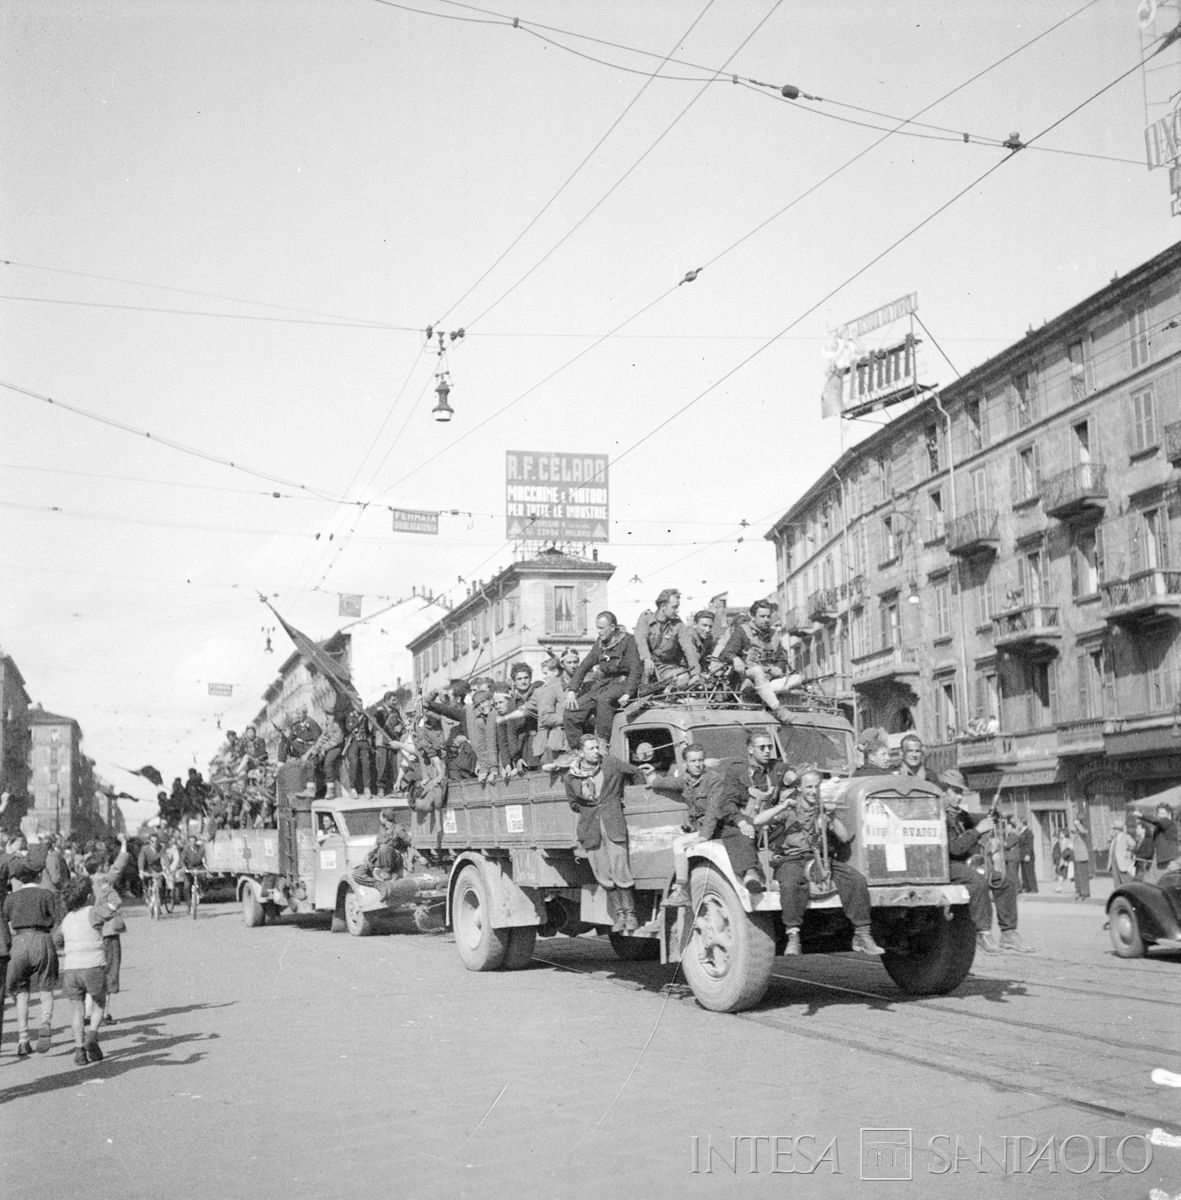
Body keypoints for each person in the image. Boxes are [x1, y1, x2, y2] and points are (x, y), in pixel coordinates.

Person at [756, 767, 883, 955]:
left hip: (820, 860)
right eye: (808, 787)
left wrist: (832, 817)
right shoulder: (789, 809)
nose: (813, 791)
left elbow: (844, 836)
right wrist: (781, 807)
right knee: (790, 884)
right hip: (792, 859)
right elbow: (758, 821)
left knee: (855, 880)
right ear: (799, 788)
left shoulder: (822, 809)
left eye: (816, 786)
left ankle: (862, 934)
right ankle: (793, 936)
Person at [564, 733, 646, 933]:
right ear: (580, 752)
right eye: (590, 749)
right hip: (591, 829)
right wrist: (589, 809)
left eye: (596, 747)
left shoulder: (610, 764)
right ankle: (619, 915)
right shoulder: (571, 776)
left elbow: (636, 772)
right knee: (603, 873)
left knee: (621, 869)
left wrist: (629, 798)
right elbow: (574, 804)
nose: (595, 752)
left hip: (614, 824)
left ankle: (631, 915)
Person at [701, 729, 778, 894]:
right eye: (762, 747)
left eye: (769, 747)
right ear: (750, 750)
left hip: (769, 821)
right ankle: (751, 875)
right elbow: (727, 802)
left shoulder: (775, 768)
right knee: (741, 835)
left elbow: (793, 770)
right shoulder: (737, 771)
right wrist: (741, 821)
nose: (767, 751)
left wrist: (795, 774)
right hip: (744, 819)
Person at [55, 877, 119, 1066]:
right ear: (89, 896)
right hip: (93, 966)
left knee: (77, 1010)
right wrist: (108, 895)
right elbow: (112, 909)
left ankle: (79, 1050)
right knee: (99, 1002)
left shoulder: (66, 919)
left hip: (71, 970)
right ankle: (92, 1035)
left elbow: (57, 941)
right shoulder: (93, 912)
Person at [648, 745, 722, 907]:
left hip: (716, 829)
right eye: (693, 761)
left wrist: (703, 836)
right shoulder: (687, 780)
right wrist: (653, 779)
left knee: (678, 843)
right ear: (685, 764)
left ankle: (681, 889)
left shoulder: (713, 780)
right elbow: (670, 783)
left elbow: (713, 810)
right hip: (700, 829)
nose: (697, 764)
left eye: (700, 760)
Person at [563, 612, 642, 751]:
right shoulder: (599, 644)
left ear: (612, 627)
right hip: (605, 683)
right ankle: (578, 750)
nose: (599, 632)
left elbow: (636, 668)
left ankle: (603, 742)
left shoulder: (628, 641)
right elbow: (584, 666)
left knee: (604, 699)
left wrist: (628, 693)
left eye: (601, 628)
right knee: (571, 711)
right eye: (597, 628)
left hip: (623, 682)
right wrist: (572, 690)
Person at [3, 858, 59, 1057]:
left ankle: (23, 1038)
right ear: (37, 875)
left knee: (21, 991)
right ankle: (45, 1021)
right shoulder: (46, 894)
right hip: (42, 939)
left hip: (19, 942)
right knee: (46, 987)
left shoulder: (11, 899)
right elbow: (56, 921)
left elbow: (5, 922)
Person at [941, 770, 1000, 954]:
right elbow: (954, 848)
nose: (959, 797)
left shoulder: (958, 814)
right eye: (956, 792)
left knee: (1004, 880)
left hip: (961, 864)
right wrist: (977, 831)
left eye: (961, 793)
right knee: (978, 882)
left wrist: (991, 819)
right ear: (944, 791)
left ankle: (1009, 931)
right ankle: (983, 932)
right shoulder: (939, 815)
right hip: (945, 865)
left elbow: (976, 818)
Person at [717, 600, 801, 721]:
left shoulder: (774, 635)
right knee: (757, 671)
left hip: (768, 678)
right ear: (752, 616)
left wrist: (779, 667)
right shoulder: (742, 631)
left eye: (768, 616)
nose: (766, 620)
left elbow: (781, 658)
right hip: (746, 677)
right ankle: (778, 709)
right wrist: (735, 659)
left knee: (798, 678)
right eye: (762, 616)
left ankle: (762, 692)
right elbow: (725, 653)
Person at [634, 588, 701, 688]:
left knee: (682, 678)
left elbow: (689, 648)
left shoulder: (678, 625)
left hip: (666, 667)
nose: (677, 610)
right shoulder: (646, 618)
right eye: (674, 607)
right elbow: (641, 640)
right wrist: (647, 659)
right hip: (644, 666)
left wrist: (695, 673)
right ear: (663, 606)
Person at [352, 808, 411, 892]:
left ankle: (387, 875)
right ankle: (379, 884)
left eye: (380, 817)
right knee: (357, 874)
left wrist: (409, 860)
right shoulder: (382, 829)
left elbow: (410, 843)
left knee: (384, 848)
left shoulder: (398, 829)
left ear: (385, 818)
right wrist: (368, 854)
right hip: (378, 859)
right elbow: (376, 844)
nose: (379, 819)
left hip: (393, 860)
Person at [531, 658, 568, 765]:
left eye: (546, 673)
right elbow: (545, 718)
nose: (544, 676)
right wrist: (569, 718)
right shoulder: (547, 690)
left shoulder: (566, 685)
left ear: (555, 672)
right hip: (557, 741)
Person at [305, 706, 346, 799]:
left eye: (329, 715)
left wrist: (323, 749)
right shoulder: (328, 725)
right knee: (312, 761)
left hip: (337, 747)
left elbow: (336, 739)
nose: (328, 717)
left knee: (328, 762)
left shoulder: (337, 724)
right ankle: (312, 789)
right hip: (328, 747)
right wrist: (315, 750)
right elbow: (322, 738)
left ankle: (330, 789)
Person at [1138, 803, 1178, 883]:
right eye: (1159, 813)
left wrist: (1141, 815)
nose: (1160, 815)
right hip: (1160, 859)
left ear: (1169, 814)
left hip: (1166, 860)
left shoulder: (1168, 822)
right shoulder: (1161, 826)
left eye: (1163, 813)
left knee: (1153, 882)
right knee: (1153, 882)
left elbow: (1156, 820)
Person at [137, 833, 168, 905]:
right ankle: (147, 896)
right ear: (149, 841)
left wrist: (166, 869)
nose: (155, 843)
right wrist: (141, 871)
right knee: (145, 882)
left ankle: (160, 900)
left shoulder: (161, 848)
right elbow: (141, 859)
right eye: (152, 841)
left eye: (156, 841)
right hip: (148, 868)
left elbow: (165, 858)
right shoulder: (144, 848)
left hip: (158, 869)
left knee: (160, 885)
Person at [1107, 819, 1137, 889]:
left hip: (1122, 863)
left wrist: (1127, 852)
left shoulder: (1125, 837)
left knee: (1125, 881)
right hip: (1114, 863)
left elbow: (1133, 844)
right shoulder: (1114, 838)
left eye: (1114, 829)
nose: (1113, 831)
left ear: (1118, 829)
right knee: (1116, 881)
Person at [1071, 817, 1092, 901]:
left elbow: (1083, 831)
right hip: (1076, 857)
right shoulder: (1076, 834)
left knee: (1083, 876)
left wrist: (1078, 824)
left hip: (1082, 857)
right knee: (1077, 876)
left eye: (1077, 825)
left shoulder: (1084, 832)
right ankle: (1078, 891)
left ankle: (1085, 893)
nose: (1075, 827)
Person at [1017, 820, 1038, 893]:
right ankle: (1027, 887)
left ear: (1022, 823)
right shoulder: (1021, 832)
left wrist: (1028, 854)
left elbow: (1030, 844)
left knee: (1030, 872)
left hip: (1027, 855)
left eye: (1019, 823)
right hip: (1022, 855)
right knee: (1024, 872)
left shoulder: (1029, 832)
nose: (1018, 825)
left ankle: (1034, 888)